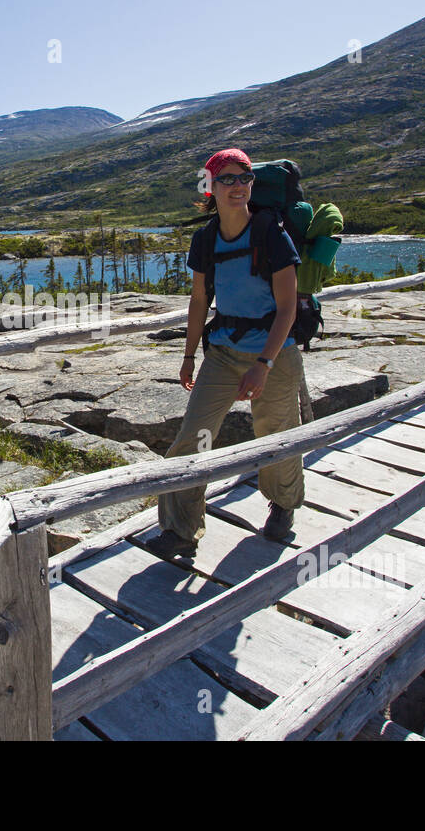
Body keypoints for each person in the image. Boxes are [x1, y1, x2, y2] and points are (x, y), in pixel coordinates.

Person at [153, 148, 306, 559]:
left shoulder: (271, 232)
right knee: (193, 438)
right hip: (222, 351)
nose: (238, 186)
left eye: (244, 178)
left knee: (276, 435)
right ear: (211, 187)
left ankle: (284, 506)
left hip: (274, 353)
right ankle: (181, 529)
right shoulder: (206, 239)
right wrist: (188, 357)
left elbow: (288, 309)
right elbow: (200, 300)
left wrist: (263, 364)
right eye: (228, 179)